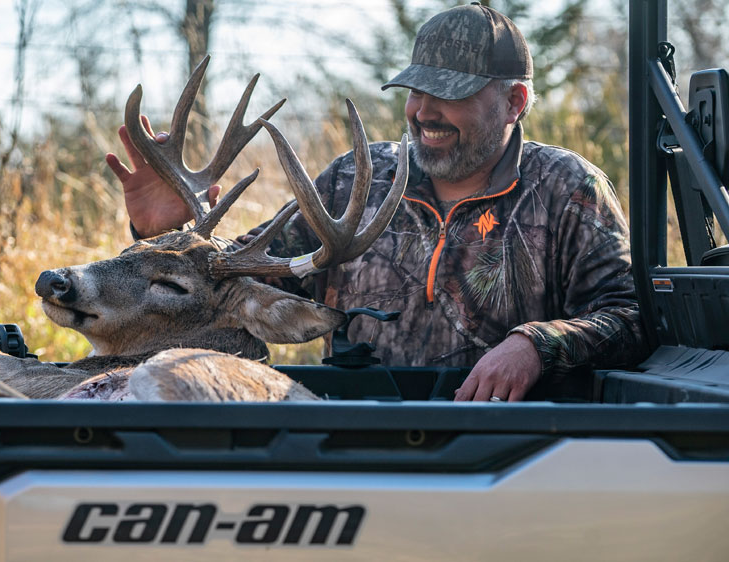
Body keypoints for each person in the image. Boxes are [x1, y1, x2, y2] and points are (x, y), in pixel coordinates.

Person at [105, 3, 648, 402]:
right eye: (416, 91)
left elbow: (629, 318)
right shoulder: (357, 179)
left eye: (450, 94)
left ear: (514, 101)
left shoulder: (566, 189)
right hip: (361, 436)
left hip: (506, 447)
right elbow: (239, 283)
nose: (424, 112)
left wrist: (535, 345)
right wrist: (165, 234)